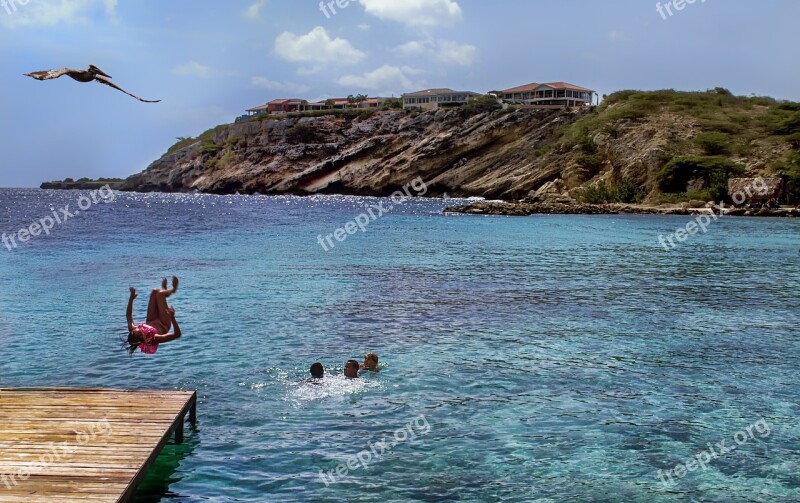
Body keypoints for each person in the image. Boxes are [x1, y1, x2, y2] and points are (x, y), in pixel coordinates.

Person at [126, 277, 182, 354]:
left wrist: (131, 298)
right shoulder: (154, 339)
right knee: (160, 294)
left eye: (133, 330)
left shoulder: (132, 330)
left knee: (155, 291)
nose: (136, 328)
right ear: (141, 335)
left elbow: (129, 315)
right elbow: (177, 334)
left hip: (151, 320)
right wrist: (172, 318)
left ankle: (164, 294)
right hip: (164, 324)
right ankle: (172, 289)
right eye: (137, 331)